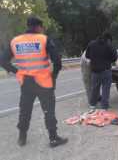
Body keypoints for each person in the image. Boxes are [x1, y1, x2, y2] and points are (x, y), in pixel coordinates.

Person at [0, 17, 68, 147]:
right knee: (49, 110)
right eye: (41, 28)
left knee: (25, 110)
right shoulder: (44, 39)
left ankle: (22, 138)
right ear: (38, 27)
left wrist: (17, 72)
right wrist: (53, 77)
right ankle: (53, 138)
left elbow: (2, 60)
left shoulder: (15, 41)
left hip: (26, 82)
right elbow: (57, 61)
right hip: (44, 82)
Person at [86, 31, 118, 110]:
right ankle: (104, 107)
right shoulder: (108, 45)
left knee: (94, 89)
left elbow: (87, 55)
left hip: (94, 71)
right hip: (106, 71)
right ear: (108, 39)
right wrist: (109, 60)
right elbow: (115, 57)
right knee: (105, 89)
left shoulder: (91, 44)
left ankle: (92, 105)